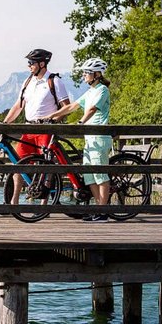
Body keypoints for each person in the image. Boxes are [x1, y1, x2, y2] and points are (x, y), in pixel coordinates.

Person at [3, 48, 70, 203]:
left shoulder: (54, 81)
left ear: (42, 64)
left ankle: (43, 204)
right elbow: (18, 106)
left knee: (45, 166)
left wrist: (53, 121)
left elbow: (66, 107)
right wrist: (5, 123)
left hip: (46, 129)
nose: (29, 66)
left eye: (31, 63)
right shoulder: (28, 82)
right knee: (19, 164)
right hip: (28, 129)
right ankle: (14, 202)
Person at [49, 57, 111, 221]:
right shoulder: (90, 91)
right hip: (89, 139)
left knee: (100, 175)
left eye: (86, 73)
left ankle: (103, 212)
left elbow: (92, 109)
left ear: (96, 74)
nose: (84, 76)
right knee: (90, 176)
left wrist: (81, 122)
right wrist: (51, 116)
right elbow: (71, 107)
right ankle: (98, 209)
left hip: (99, 137)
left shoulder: (102, 90)